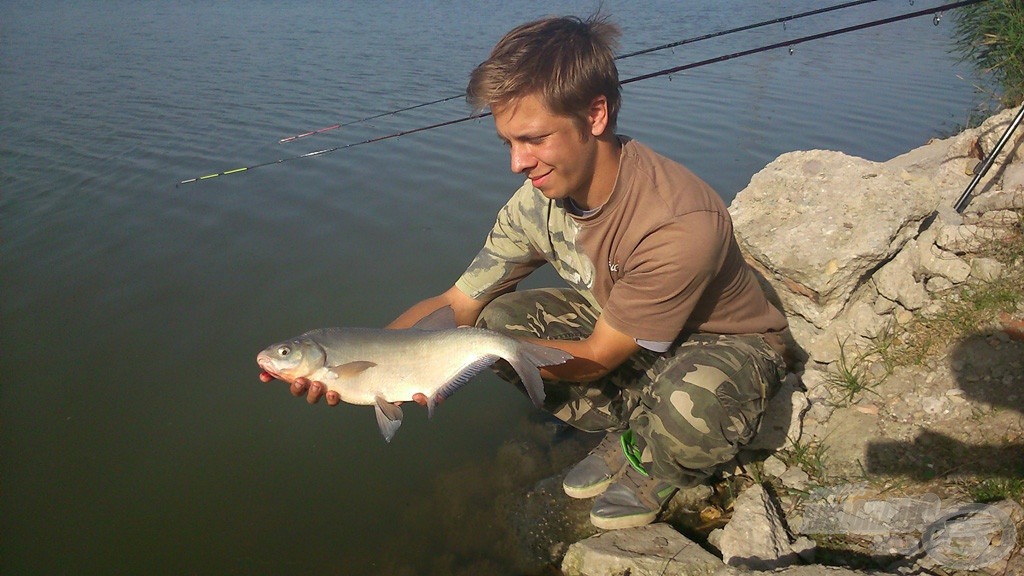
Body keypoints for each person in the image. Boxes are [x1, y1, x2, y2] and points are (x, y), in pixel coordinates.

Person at [263, 13, 791, 531]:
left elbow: (601, 357)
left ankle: (657, 460)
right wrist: (374, 361)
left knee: (689, 406)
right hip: (622, 323)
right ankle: (631, 425)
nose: (517, 162)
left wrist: (486, 354)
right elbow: (458, 303)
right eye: (508, 143)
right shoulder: (537, 200)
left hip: (721, 340)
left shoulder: (675, 224)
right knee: (493, 319)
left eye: (534, 139)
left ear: (596, 115)